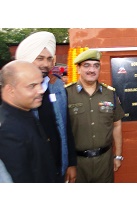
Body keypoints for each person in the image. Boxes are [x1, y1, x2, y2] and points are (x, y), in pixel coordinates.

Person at [15, 31, 77, 183]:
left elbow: (66, 126)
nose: (46, 64)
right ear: (28, 59)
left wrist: (71, 163)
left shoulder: (57, 87)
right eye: (40, 58)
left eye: (49, 59)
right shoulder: (14, 92)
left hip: (58, 167)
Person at [66, 49, 125, 183]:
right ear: (78, 69)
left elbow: (116, 125)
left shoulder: (110, 94)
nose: (92, 70)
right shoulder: (66, 94)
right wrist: (67, 163)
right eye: (86, 65)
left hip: (104, 162)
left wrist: (118, 155)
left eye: (96, 66)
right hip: (77, 163)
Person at [0, 60, 56, 182]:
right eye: (32, 86)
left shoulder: (24, 112)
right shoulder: (8, 129)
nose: (41, 90)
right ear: (10, 90)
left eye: (40, 84)